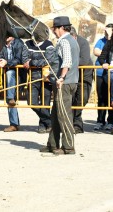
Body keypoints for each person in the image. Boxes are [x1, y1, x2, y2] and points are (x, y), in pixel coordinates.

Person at [40, 16, 79, 155]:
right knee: (55, 114)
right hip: (70, 81)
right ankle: (52, 144)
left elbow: (67, 61)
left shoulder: (65, 42)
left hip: (65, 82)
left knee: (64, 115)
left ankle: (68, 147)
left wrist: (61, 77)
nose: (54, 31)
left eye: (55, 28)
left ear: (62, 28)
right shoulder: (73, 40)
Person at [0, 37, 28, 132]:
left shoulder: (18, 43)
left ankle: (14, 124)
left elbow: (19, 59)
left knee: (11, 97)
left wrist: (7, 63)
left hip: (16, 74)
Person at [23, 36, 55, 133]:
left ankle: (43, 125)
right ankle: (50, 122)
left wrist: (32, 62)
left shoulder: (49, 44)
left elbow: (49, 61)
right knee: (32, 103)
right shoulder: (27, 44)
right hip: (33, 78)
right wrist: (38, 61)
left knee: (45, 103)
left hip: (46, 78)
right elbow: (24, 59)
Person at [70, 27, 94, 133]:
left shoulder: (83, 43)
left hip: (85, 76)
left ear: (74, 36)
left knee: (81, 99)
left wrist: (68, 61)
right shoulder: (64, 42)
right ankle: (76, 125)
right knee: (71, 99)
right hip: (72, 75)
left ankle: (77, 124)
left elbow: (83, 60)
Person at [93, 23, 113, 131]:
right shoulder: (101, 41)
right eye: (105, 31)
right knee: (101, 97)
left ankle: (110, 121)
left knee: (111, 97)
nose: (106, 33)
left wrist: (111, 37)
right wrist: (105, 53)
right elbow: (95, 51)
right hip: (100, 73)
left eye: (109, 31)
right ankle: (100, 120)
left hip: (112, 73)